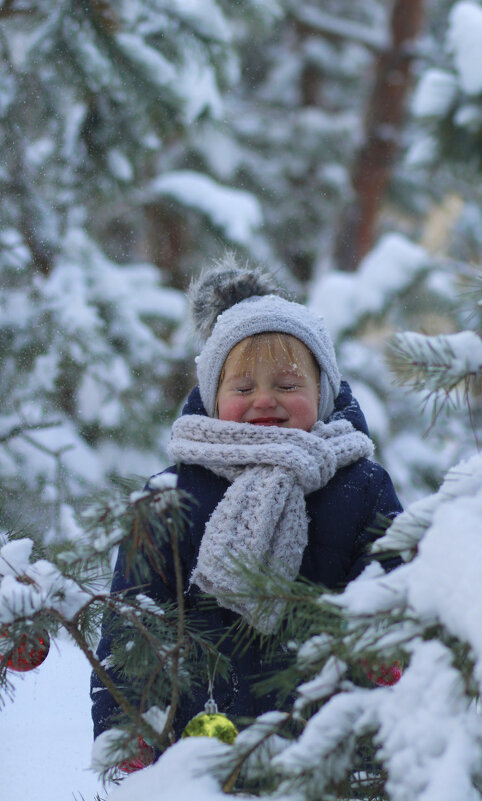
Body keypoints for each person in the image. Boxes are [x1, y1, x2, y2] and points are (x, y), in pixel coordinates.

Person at [90, 255, 403, 766]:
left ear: (322, 394)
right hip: (201, 749)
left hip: (327, 752)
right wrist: (126, 727)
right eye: (242, 388)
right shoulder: (171, 496)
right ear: (213, 398)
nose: (265, 401)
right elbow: (131, 622)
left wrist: (387, 662)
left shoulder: (361, 486)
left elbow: (392, 588)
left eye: (287, 386)